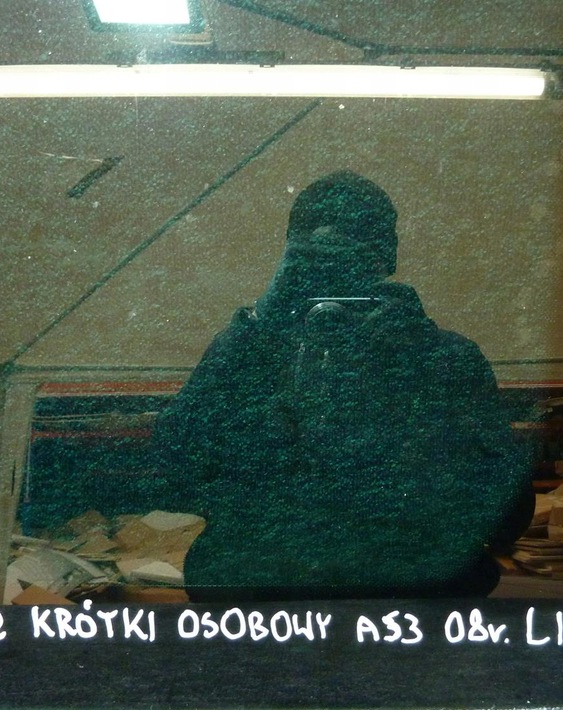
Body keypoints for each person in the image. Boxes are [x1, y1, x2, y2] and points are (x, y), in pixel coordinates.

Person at [142, 171, 534, 600]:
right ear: (389, 255)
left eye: (347, 264)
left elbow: (506, 513)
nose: (334, 280)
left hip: (286, 598)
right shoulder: (254, 350)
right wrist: (262, 322)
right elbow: (171, 468)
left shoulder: (434, 356)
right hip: (386, 599)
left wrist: (416, 368)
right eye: (317, 264)